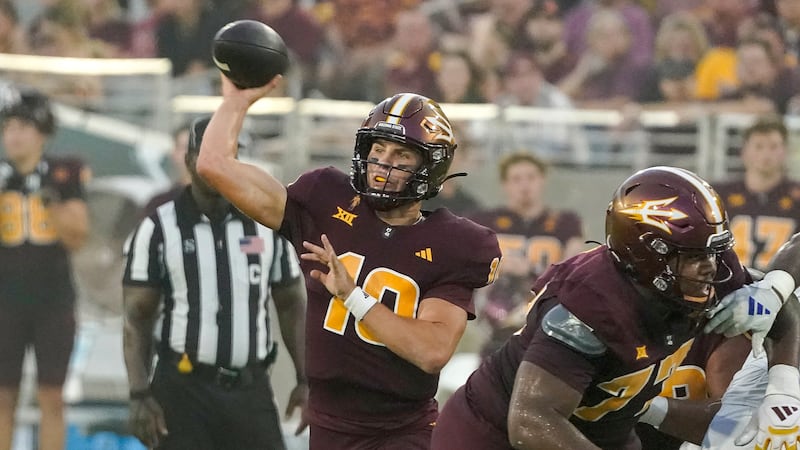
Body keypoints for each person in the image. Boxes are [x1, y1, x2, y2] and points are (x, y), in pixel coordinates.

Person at [195, 76, 502, 448]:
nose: (382, 164)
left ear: (431, 167)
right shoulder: (325, 198)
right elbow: (214, 164)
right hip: (327, 424)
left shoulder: (454, 243)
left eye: (401, 155)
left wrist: (352, 296)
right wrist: (235, 101)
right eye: (378, 150)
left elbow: (431, 351)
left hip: (400, 430)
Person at [430, 166, 798, 449]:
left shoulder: (706, 265)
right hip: (493, 434)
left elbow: (784, 298)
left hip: (603, 429)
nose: (713, 267)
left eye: (714, 252)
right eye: (695, 256)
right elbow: (531, 420)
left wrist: (785, 389)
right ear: (648, 254)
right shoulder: (593, 302)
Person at [122, 116, 308, 450]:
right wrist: (139, 392)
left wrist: (306, 378)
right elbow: (137, 316)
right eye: (211, 154)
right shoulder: (159, 227)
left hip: (250, 387)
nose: (222, 164)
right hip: (182, 388)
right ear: (191, 159)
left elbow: (292, 302)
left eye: (231, 154)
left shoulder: (266, 222)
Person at [0, 88, 90, 450]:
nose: (14, 135)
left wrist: (48, 196)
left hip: (52, 300)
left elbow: (78, 236)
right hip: (5, 300)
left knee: (52, 396)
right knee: (3, 396)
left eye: (23, 126)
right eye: (8, 127)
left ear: (42, 132)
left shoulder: (63, 171)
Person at [468, 152, 584, 358]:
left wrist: (530, 269)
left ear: (542, 181)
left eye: (531, 177)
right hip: (495, 324)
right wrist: (500, 266)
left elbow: (573, 271)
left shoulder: (566, 222)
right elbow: (465, 265)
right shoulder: (483, 221)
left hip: (547, 322)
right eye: (516, 179)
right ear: (505, 184)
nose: (524, 186)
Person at [714, 115, 800, 272]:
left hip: (783, 288)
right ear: (744, 151)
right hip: (730, 284)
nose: (766, 154)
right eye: (759, 146)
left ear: (785, 151)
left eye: (773, 147)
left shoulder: (796, 197)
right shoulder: (719, 195)